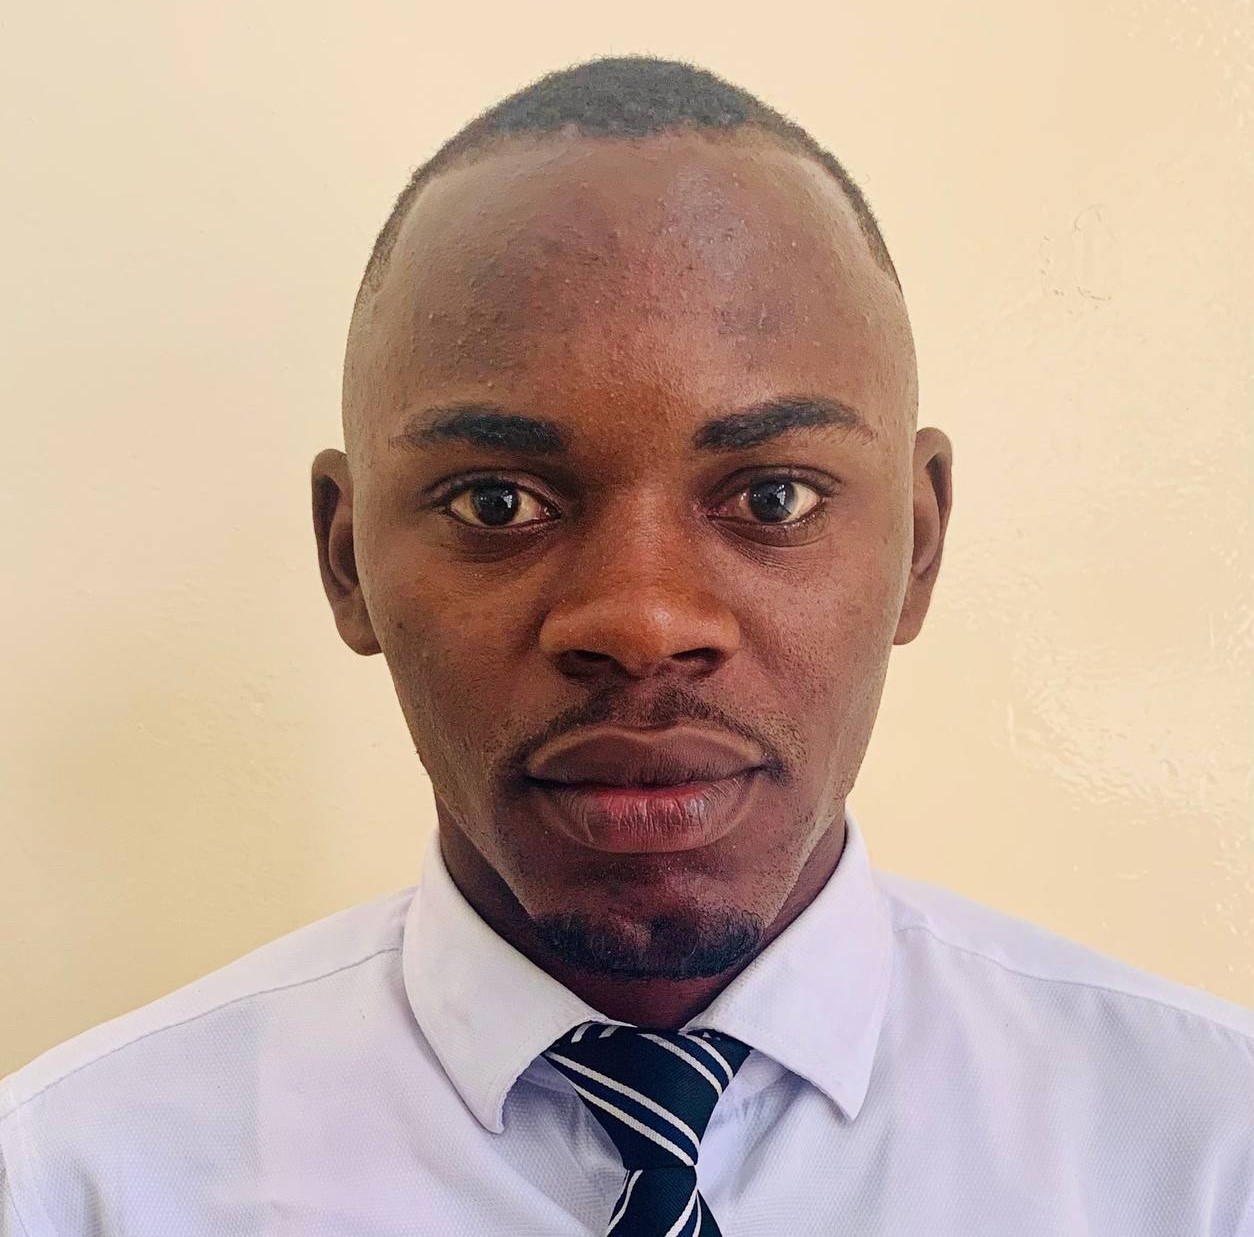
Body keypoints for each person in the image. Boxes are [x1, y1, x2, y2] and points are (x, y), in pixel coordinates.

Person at [2, 54, 1250, 1237]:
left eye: (773, 498)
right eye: (497, 501)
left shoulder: (1205, 1155)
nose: (644, 622)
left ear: (918, 546)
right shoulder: (75, 1183)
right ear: (348, 561)